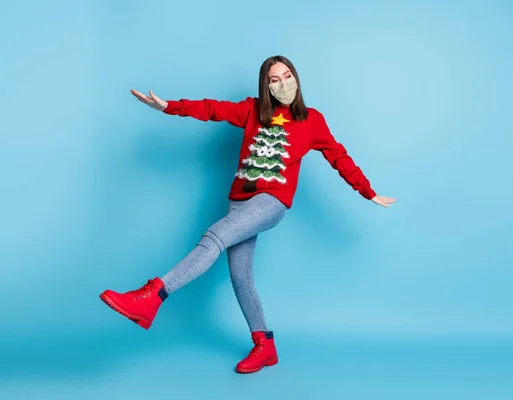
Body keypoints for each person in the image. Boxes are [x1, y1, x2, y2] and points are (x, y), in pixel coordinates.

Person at [99, 55, 396, 374]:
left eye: (287, 76)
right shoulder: (253, 110)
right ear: (266, 87)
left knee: (215, 235)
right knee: (241, 278)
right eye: (274, 80)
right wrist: (169, 106)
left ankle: (153, 295)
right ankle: (265, 345)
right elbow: (212, 109)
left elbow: (339, 157)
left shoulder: (312, 120)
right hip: (240, 201)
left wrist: (368, 191)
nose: (283, 84)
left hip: (272, 201)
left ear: (296, 78)